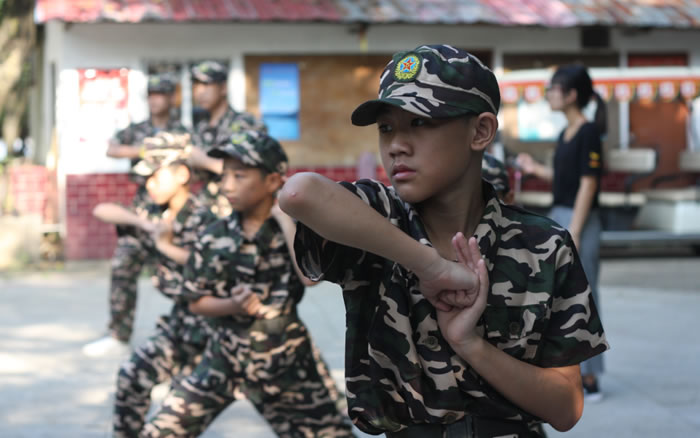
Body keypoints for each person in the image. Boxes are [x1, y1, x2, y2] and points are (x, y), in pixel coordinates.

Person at [279, 44, 609, 437]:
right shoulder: (376, 220)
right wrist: (430, 266)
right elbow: (298, 193)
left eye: (419, 123)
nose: (396, 144)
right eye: (386, 128)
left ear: (481, 131)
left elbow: (566, 407)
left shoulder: (543, 244)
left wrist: (470, 344)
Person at [141, 130, 354, 437]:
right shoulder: (214, 234)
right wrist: (233, 304)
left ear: (272, 181)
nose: (227, 184)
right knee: (161, 431)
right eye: (224, 175)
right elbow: (195, 300)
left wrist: (284, 218)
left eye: (239, 176)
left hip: (285, 360)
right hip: (224, 356)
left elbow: (310, 277)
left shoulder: (298, 228)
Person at [91, 134, 218, 437]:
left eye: (155, 176)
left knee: (178, 412)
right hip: (179, 324)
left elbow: (215, 267)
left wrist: (166, 246)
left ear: (182, 174)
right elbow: (102, 210)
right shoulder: (155, 214)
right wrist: (145, 226)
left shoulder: (206, 217)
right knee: (131, 375)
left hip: (214, 330)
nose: (149, 184)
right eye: (145, 179)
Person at [516, 64, 607, 402]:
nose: (549, 94)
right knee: (560, 296)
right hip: (561, 215)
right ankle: (567, 366)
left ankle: (591, 377)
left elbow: (588, 183)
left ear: (571, 95)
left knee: (586, 296)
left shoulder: (587, 132)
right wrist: (534, 168)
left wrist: (576, 230)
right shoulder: (566, 133)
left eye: (554, 88)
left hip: (580, 219)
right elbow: (565, 178)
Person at [83, 73, 190, 357]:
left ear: (171, 98)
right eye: (151, 94)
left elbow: (195, 157)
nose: (155, 99)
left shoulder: (183, 130)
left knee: (187, 273)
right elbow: (112, 149)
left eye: (161, 94)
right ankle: (118, 335)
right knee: (123, 265)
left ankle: (197, 333)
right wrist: (147, 149)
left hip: (176, 211)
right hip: (144, 206)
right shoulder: (138, 130)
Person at [185, 60, 268, 218]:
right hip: (204, 209)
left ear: (223, 88)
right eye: (195, 86)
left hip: (238, 212)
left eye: (206, 85)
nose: (199, 92)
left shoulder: (246, 124)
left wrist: (205, 162)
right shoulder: (199, 128)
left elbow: (257, 172)